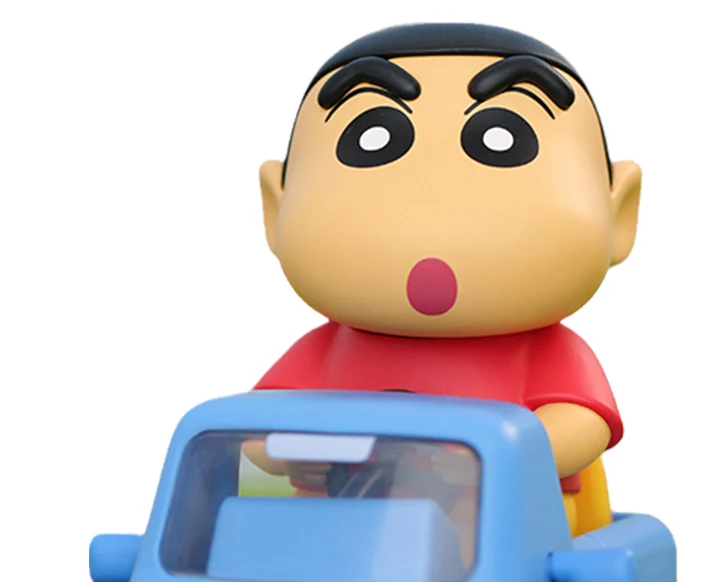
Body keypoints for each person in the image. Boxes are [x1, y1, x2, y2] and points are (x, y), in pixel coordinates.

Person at [248, 23, 642, 535]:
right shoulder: (326, 349)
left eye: (503, 140)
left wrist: (489, 454)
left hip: (503, 535)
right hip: (339, 535)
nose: (433, 217)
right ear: (275, 208)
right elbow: (250, 430)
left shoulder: (546, 351)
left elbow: (581, 428)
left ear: (619, 214)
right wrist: (289, 452)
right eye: (373, 139)